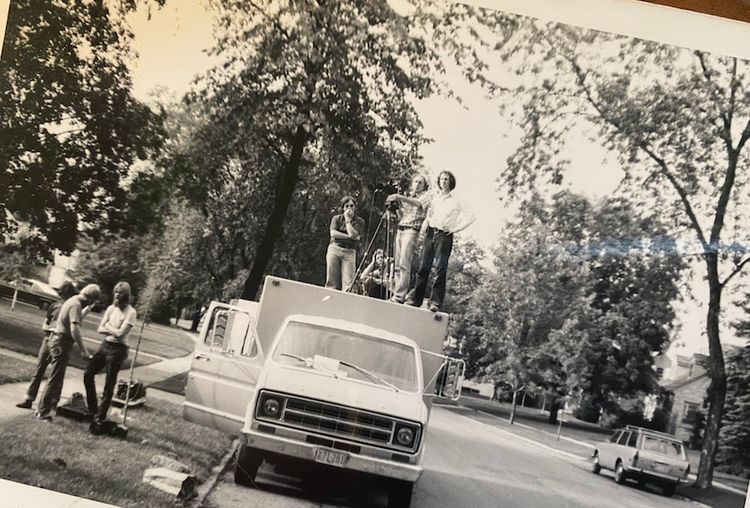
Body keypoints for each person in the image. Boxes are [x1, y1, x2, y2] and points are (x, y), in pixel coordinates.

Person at [408, 171, 475, 312]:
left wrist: (457, 228)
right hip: (431, 233)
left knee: (440, 268)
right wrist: (423, 230)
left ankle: (435, 303)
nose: (443, 182)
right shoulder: (435, 198)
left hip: (444, 236)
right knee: (423, 267)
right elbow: (429, 215)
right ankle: (416, 300)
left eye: (446, 179)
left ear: (451, 182)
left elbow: (471, 216)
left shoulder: (457, 199)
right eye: (442, 179)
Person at [15, 282, 87, 410]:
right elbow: (46, 321)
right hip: (48, 338)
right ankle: (29, 398)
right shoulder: (55, 305)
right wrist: (45, 327)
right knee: (40, 369)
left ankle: (52, 402)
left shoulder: (72, 307)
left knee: (56, 374)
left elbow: (75, 323)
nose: (62, 298)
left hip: (59, 339)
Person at [35, 283, 101, 420]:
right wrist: (84, 350)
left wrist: (88, 309)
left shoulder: (73, 301)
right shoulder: (76, 305)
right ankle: (43, 412)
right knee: (54, 380)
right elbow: (74, 329)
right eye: (93, 300)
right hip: (62, 342)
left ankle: (41, 409)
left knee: (53, 378)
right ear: (90, 298)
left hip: (55, 339)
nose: (92, 303)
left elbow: (75, 318)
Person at [84, 281, 137, 425]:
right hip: (105, 345)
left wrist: (108, 326)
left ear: (126, 295)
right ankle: (93, 408)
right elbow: (99, 329)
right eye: (116, 292)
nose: (117, 295)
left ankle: (101, 416)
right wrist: (112, 328)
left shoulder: (131, 313)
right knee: (88, 373)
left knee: (109, 383)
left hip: (118, 350)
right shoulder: (110, 309)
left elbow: (120, 334)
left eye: (120, 293)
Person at [386, 174, 430, 303]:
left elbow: (418, 204)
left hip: (411, 231)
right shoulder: (408, 197)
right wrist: (396, 208)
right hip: (401, 228)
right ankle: (396, 293)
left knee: (405, 263)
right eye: (415, 182)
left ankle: (400, 296)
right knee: (397, 264)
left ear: (424, 186)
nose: (417, 184)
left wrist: (400, 197)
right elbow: (402, 217)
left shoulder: (425, 196)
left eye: (420, 183)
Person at [325, 195, 365, 291]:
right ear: (343, 208)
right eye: (347, 206)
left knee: (348, 282)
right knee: (331, 280)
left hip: (349, 252)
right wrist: (350, 237)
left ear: (355, 207)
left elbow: (352, 233)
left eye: (351, 206)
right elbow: (333, 233)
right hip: (335, 248)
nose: (349, 208)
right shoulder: (336, 219)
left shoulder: (359, 221)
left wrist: (348, 220)